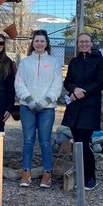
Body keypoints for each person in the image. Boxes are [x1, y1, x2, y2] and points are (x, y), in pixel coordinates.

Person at [15, 29, 63, 189]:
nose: (39, 43)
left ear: (46, 43)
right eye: (37, 41)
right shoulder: (25, 62)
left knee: (44, 141)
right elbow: (19, 83)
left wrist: (45, 101)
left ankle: (47, 174)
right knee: (28, 141)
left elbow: (57, 84)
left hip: (47, 108)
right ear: (33, 43)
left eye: (42, 41)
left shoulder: (54, 62)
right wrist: (29, 99)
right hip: (27, 107)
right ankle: (26, 172)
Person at [61, 33, 103, 190]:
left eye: (86, 41)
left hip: (90, 107)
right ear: (77, 44)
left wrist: (83, 91)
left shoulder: (100, 61)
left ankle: (90, 177)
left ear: (91, 43)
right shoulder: (74, 62)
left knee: (84, 143)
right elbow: (67, 81)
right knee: (77, 143)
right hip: (75, 107)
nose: (83, 44)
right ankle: (79, 174)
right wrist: (74, 89)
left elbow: (100, 83)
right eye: (81, 42)